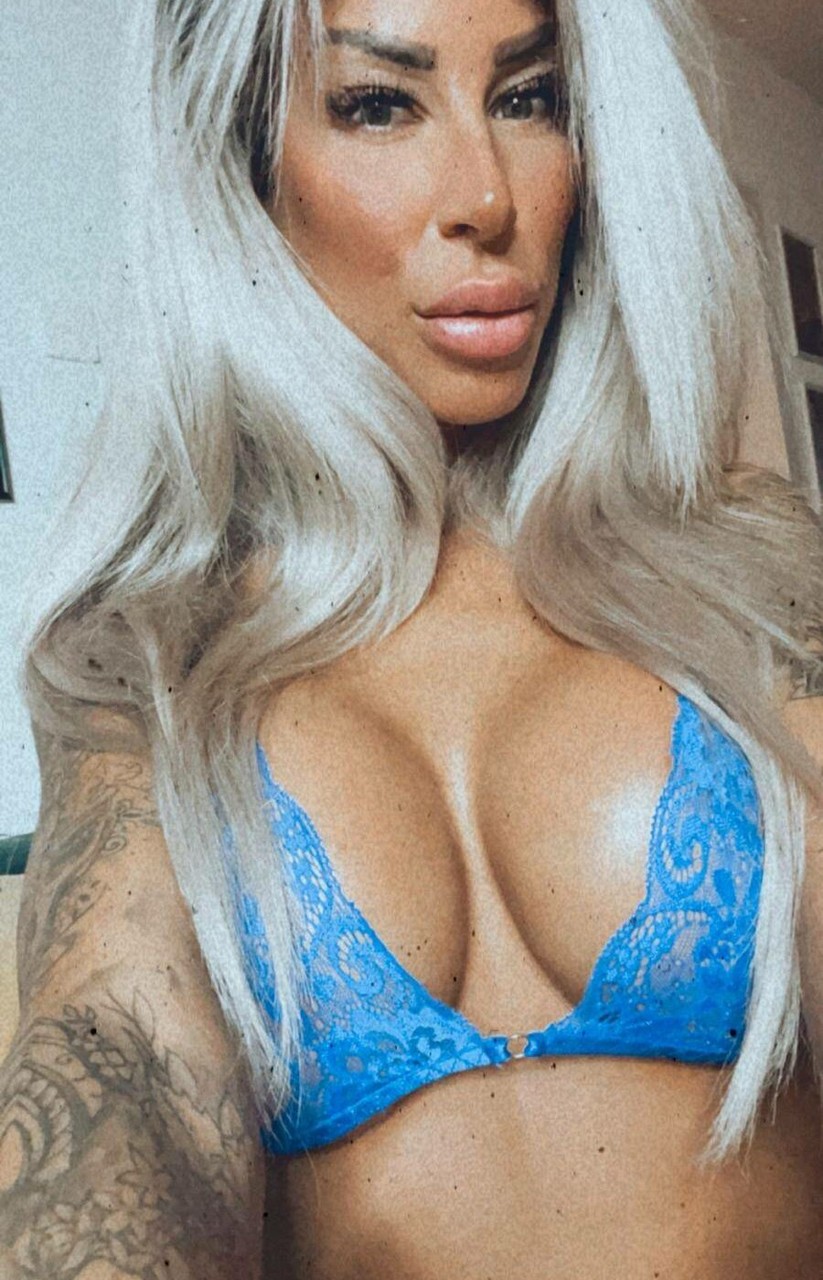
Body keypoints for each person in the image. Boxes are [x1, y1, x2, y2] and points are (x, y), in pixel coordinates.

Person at [3, 0, 823, 1276]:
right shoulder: (148, 658)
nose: (487, 195)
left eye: (527, 98)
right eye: (379, 105)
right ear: (241, 160)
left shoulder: (744, 566)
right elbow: (121, 1058)